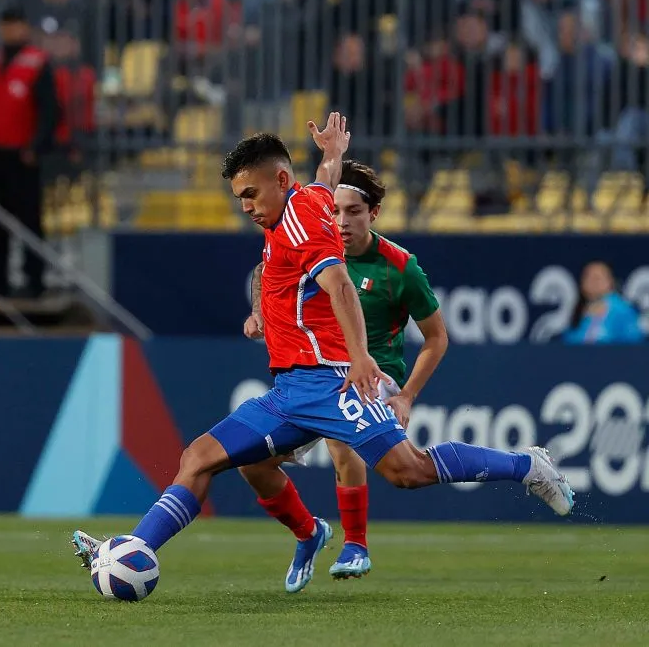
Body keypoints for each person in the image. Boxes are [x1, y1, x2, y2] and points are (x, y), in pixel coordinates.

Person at [71, 115, 573, 586]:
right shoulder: (308, 199)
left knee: (408, 471)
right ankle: (136, 549)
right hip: (292, 390)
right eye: (238, 197)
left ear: (281, 180)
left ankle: (527, 466)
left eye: (251, 193)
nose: (245, 206)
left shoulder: (302, 226)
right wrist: (332, 154)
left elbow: (341, 289)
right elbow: (325, 180)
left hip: (332, 380)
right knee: (200, 458)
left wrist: (358, 357)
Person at [238, 160, 449, 591]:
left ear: (373, 214)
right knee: (252, 460)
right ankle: (308, 533)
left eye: (353, 212)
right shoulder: (310, 240)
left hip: (375, 372)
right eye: (336, 211)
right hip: (315, 371)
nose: (341, 221)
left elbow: (437, 338)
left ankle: (356, 544)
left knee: (340, 436)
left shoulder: (400, 267)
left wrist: (406, 396)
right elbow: (264, 271)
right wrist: (259, 310)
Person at [0, 7, 60, 298]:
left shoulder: (37, 64)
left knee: (29, 219)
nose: (10, 31)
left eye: (15, 25)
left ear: (25, 28)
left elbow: (50, 110)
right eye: (6, 25)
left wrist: (36, 146)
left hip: (23, 155)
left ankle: (34, 279)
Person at [562, 261, 644, 344]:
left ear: (610, 282)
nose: (593, 282)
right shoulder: (577, 311)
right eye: (588, 277)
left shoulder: (623, 311)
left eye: (597, 278)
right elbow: (569, 341)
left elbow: (633, 343)